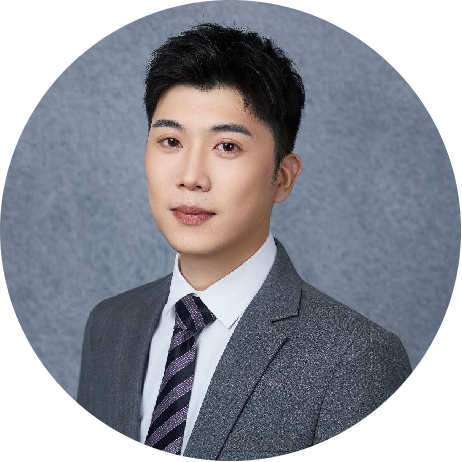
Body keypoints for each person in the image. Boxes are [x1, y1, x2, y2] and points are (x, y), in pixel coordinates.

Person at [77, 22, 412, 459]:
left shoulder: (357, 358)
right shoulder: (110, 324)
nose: (191, 177)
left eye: (227, 147)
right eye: (171, 140)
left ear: (283, 177)